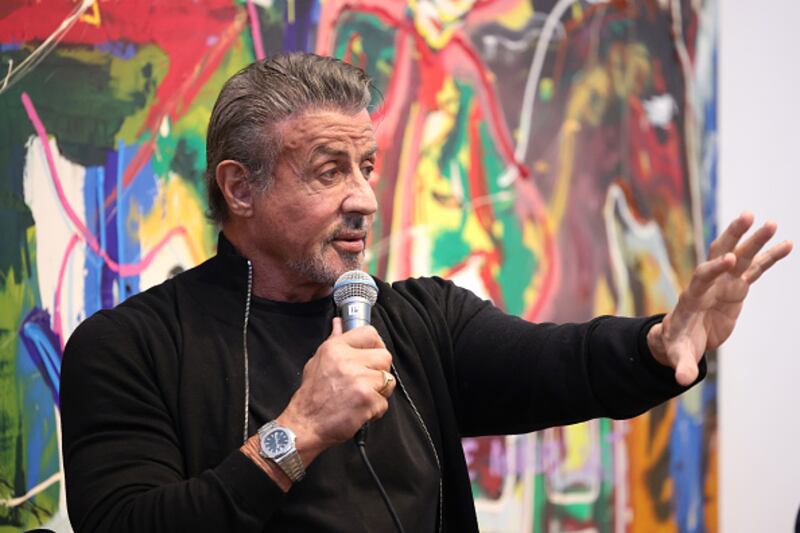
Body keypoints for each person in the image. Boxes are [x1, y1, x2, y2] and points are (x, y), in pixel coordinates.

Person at [60, 53, 792, 533]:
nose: (364, 199)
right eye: (329, 170)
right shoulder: (130, 347)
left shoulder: (420, 319)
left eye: (367, 167)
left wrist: (659, 344)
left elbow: (561, 363)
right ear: (239, 187)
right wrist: (298, 431)